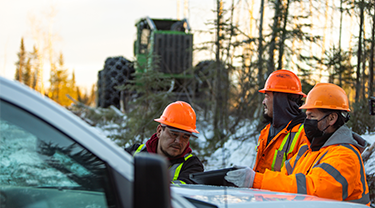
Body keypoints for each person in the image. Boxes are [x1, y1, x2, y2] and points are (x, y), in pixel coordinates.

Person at [225, 83, 370, 206]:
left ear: (332, 118)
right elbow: (284, 179)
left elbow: (314, 191)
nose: (306, 121)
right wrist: (252, 178)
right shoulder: (308, 152)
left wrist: (255, 180)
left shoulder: (345, 156)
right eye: (306, 116)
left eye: (312, 116)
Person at [125, 101, 204, 184]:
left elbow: (182, 193)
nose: (178, 141)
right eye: (174, 134)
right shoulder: (134, 152)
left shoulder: (192, 166)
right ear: (159, 131)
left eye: (185, 137)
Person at [254, 69, 309, 173]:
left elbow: (298, 182)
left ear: (279, 100)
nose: (263, 102)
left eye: (267, 96)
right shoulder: (266, 131)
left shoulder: (304, 135)